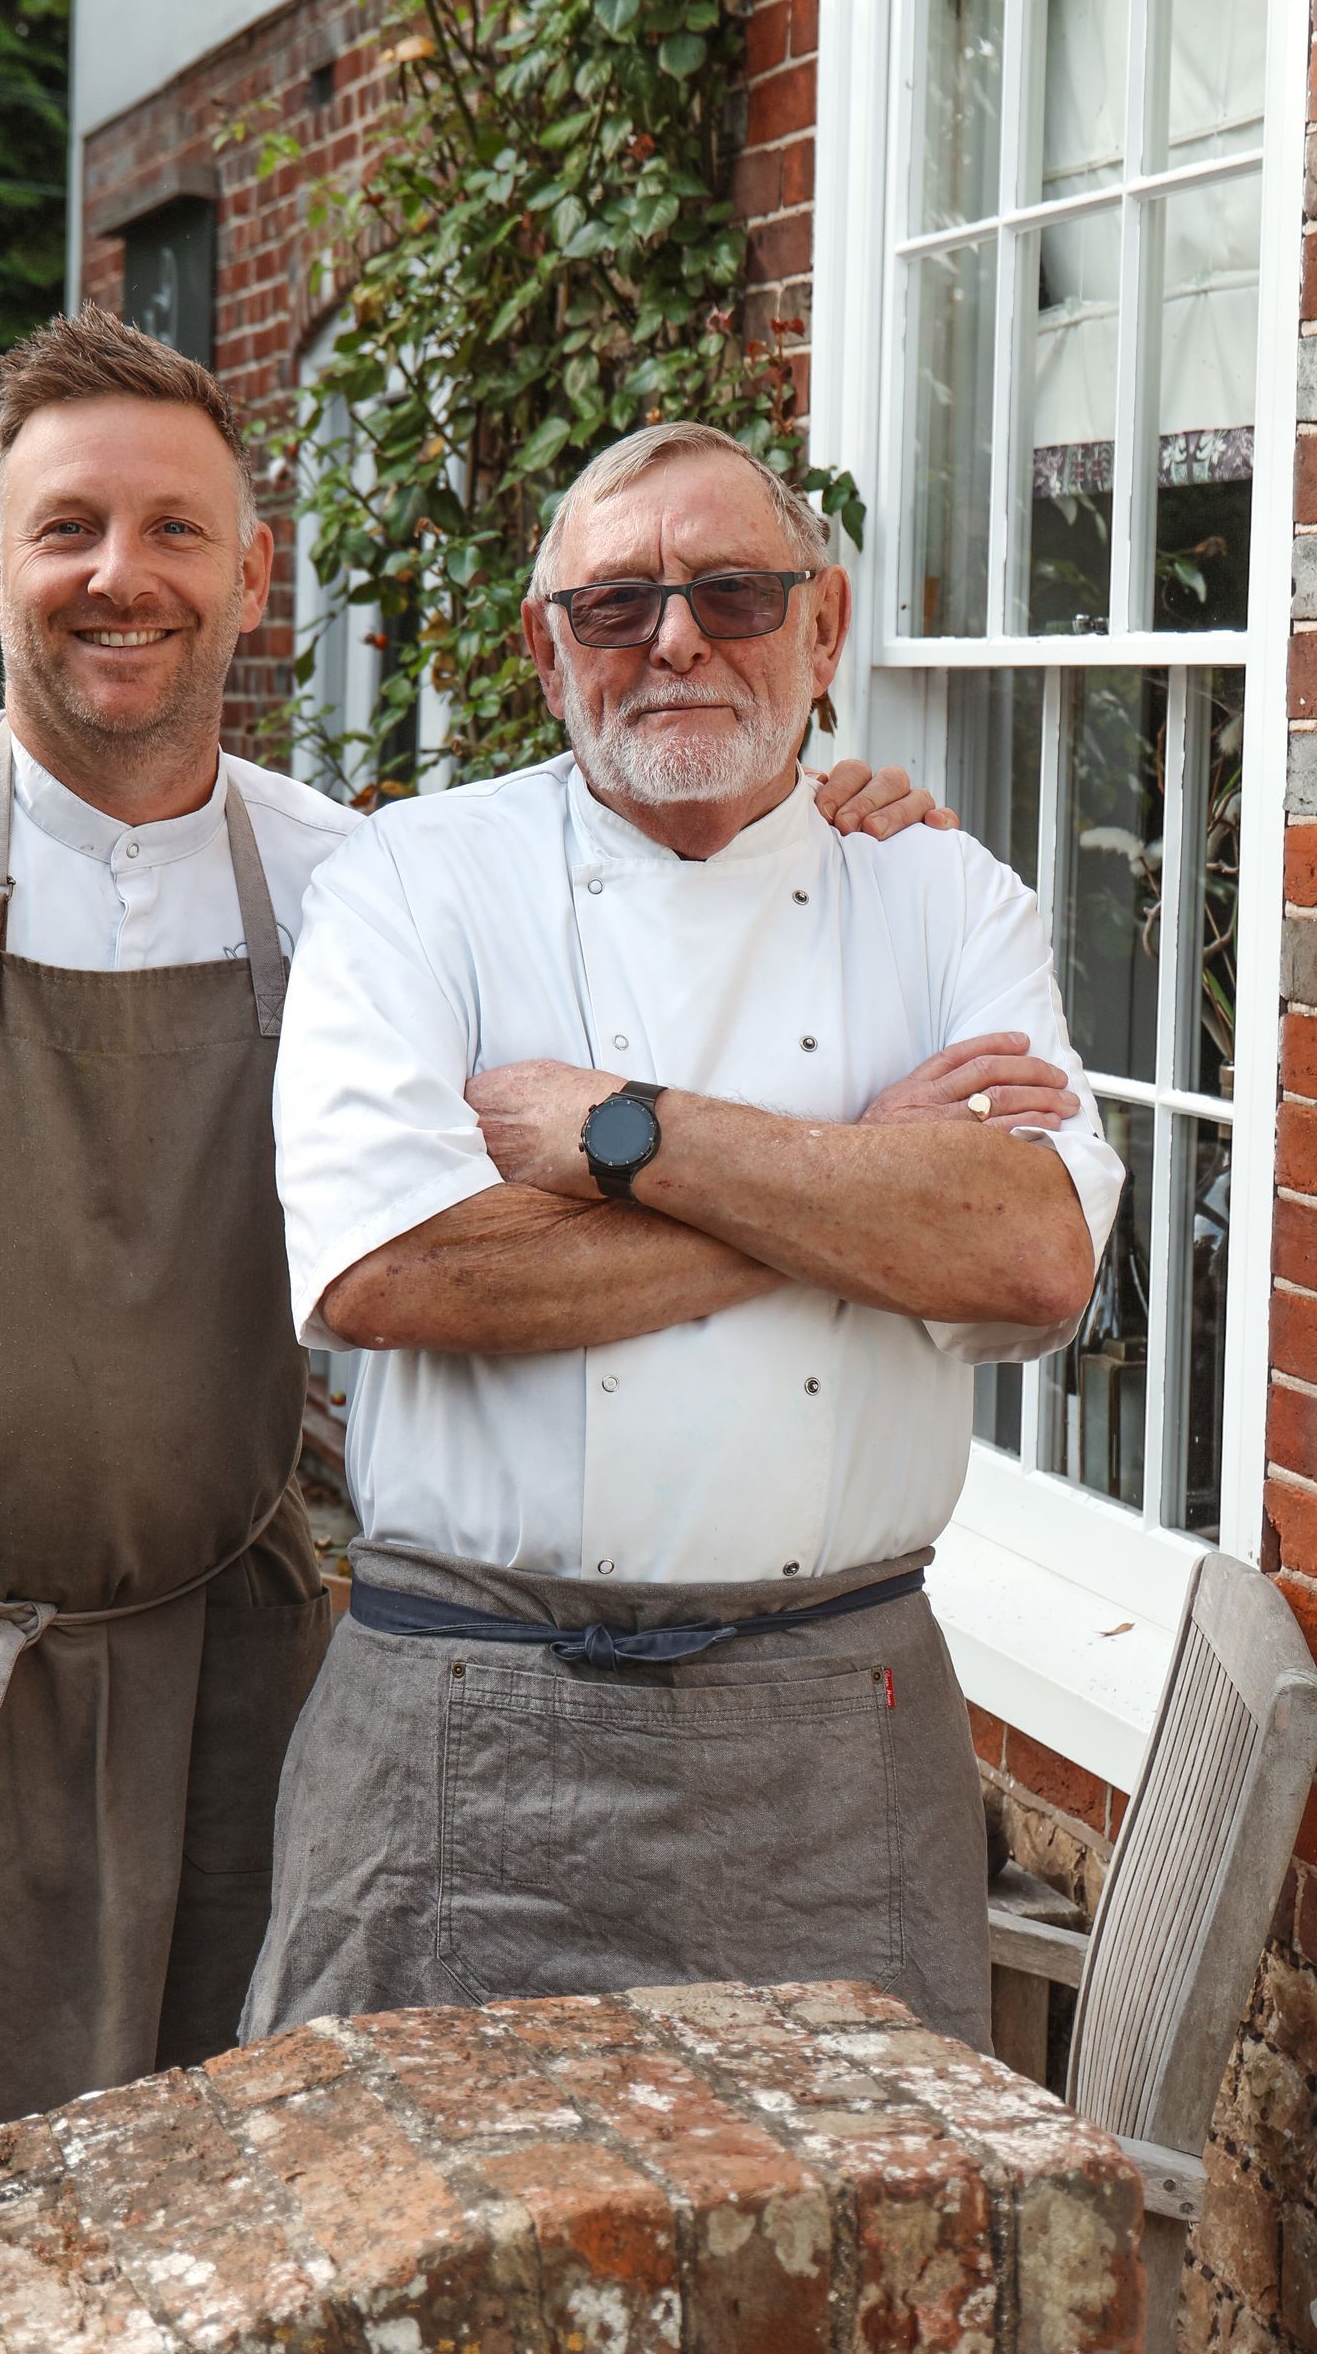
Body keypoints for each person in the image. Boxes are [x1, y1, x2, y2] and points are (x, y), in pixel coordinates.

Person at [0, 317, 956, 2200]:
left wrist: (840, 809)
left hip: (241, 1656)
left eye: (174, 530)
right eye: (69, 531)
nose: (119, 578)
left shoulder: (350, 879)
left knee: (227, 2195)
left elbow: (629, 905)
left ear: (251, 577)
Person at [246, 419, 1123, 2053]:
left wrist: (620, 1139)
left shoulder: (944, 898)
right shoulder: (412, 883)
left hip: (835, 1736)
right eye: (616, 605)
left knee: (857, 2265)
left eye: (734, 591)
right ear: (543, 646)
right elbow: (396, 1271)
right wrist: (866, 1182)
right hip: (463, 1721)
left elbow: (1029, 1257)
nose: (678, 641)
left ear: (823, 624)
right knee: (409, 2249)